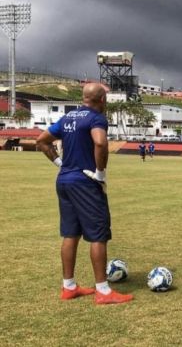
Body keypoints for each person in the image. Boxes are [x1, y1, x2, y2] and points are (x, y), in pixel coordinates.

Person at [36, 83, 133, 305]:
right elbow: (100, 142)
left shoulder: (68, 117)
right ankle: (103, 291)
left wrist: (60, 163)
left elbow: (41, 141)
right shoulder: (96, 118)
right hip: (85, 183)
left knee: (70, 234)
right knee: (98, 235)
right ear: (101, 100)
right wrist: (100, 174)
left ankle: (68, 286)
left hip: (64, 181)